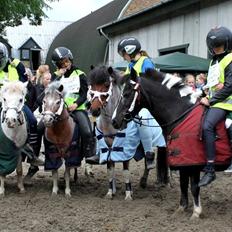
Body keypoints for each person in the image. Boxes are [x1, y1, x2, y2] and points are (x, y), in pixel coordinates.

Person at [117, 36, 160, 169]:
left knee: (143, 118)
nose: (123, 57)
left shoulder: (146, 62)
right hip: (134, 100)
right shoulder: (130, 65)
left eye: (123, 54)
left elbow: (151, 82)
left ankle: (149, 152)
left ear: (130, 51)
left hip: (147, 100)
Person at [0, 42, 43, 169]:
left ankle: (32, 154)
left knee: (33, 121)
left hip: (16, 103)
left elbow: (26, 84)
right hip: (2, 102)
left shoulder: (16, 65)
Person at [198, 26, 232, 187]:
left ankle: (210, 168)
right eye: (214, 46)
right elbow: (213, 84)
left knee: (207, 126)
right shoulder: (213, 61)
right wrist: (205, 94)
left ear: (227, 44)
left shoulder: (230, 59)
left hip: (226, 103)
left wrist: (211, 101)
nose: (216, 49)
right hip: (215, 100)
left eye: (220, 46)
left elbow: (229, 86)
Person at [51, 47, 97, 164]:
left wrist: (76, 104)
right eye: (61, 63)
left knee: (86, 131)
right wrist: (57, 75)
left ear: (70, 60)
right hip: (59, 109)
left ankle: (89, 154)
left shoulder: (80, 74)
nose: (65, 64)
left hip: (77, 108)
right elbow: (50, 90)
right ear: (57, 65)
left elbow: (84, 92)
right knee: (41, 126)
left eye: (66, 61)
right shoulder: (56, 76)